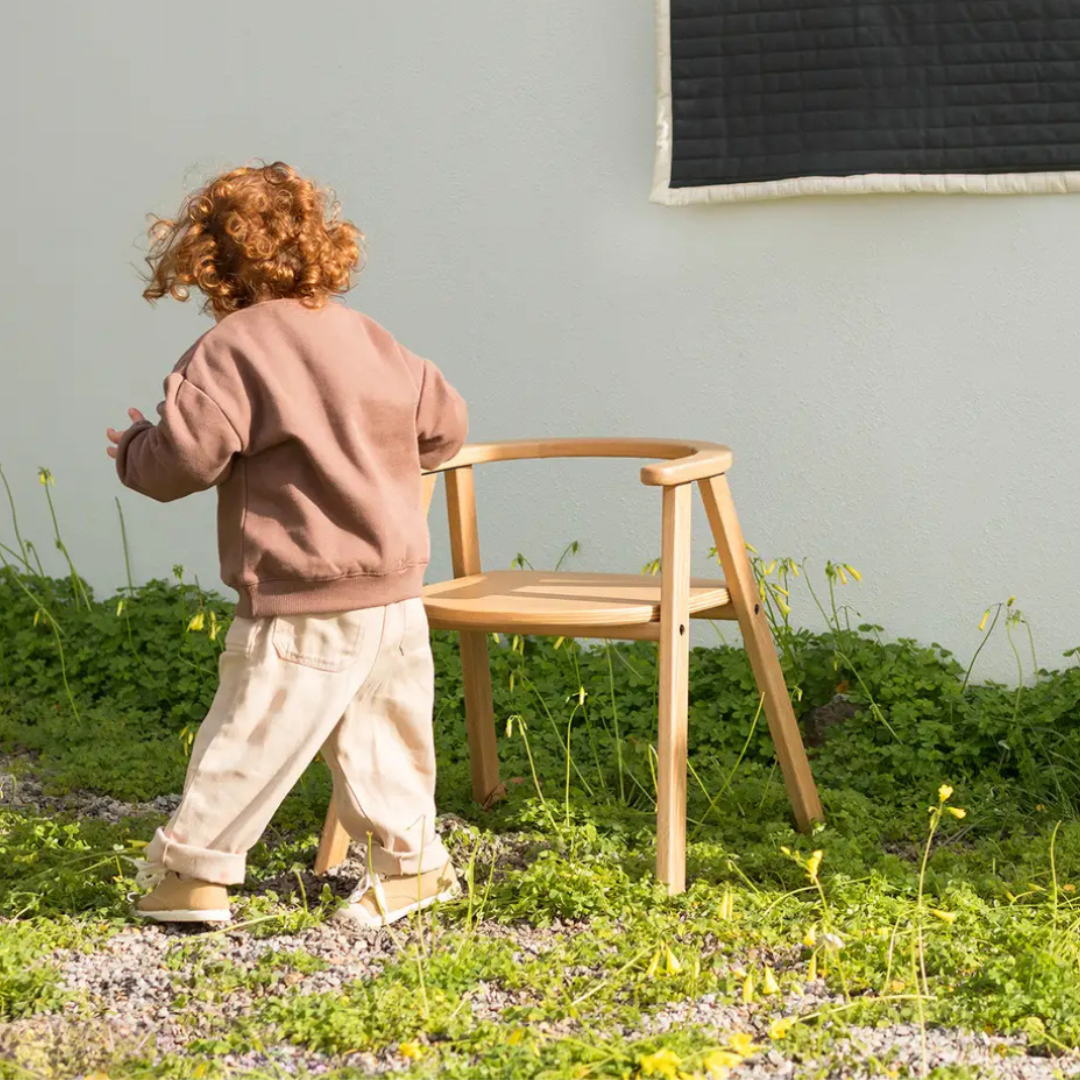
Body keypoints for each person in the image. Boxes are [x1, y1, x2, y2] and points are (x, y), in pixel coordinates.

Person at [106, 161, 467, 927]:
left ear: (208, 265)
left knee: (252, 727)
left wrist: (136, 447)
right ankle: (411, 869)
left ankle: (194, 875)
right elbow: (444, 425)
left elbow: (187, 458)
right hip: (395, 588)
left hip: (304, 591)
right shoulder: (371, 339)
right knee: (385, 732)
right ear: (319, 245)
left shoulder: (232, 350)